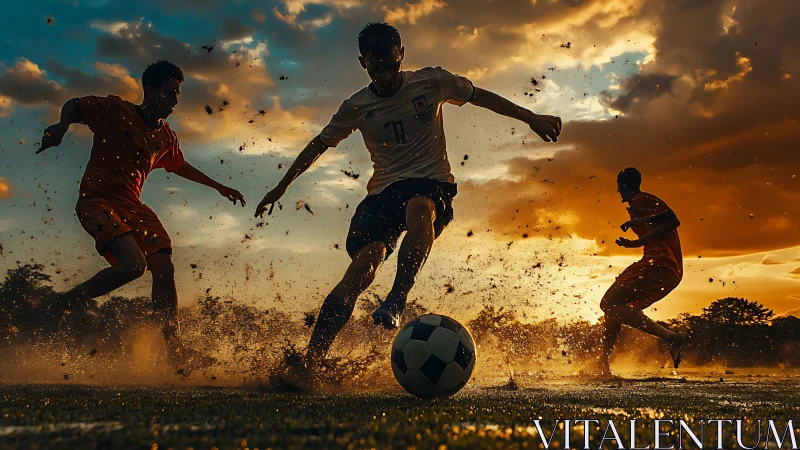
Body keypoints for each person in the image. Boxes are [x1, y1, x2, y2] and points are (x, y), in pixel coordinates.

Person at [254, 22, 562, 365]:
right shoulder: (355, 106)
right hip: (383, 192)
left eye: (390, 65)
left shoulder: (432, 82)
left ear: (401, 54)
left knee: (420, 207)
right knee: (362, 268)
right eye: (375, 68)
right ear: (363, 63)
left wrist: (530, 116)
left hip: (430, 182)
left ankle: (397, 299)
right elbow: (319, 145)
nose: (384, 75)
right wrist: (281, 186)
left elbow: (481, 96)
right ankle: (310, 361)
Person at [37, 60, 246, 369]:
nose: (174, 101)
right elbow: (74, 104)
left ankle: (174, 349)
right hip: (98, 202)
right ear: (150, 90)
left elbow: (179, 165)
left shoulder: (165, 136)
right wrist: (61, 127)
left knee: (164, 267)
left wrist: (218, 186)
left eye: (177, 95)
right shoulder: (114, 110)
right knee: (135, 266)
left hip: (133, 207)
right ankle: (62, 304)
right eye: (169, 93)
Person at [599, 167, 689, 376]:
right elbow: (662, 224)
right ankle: (603, 364)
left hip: (659, 264)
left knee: (608, 303)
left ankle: (671, 337)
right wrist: (636, 233)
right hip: (660, 265)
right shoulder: (637, 205)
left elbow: (673, 220)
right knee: (613, 308)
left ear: (622, 186)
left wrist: (638, 234)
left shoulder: (641, 200)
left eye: (619, 188)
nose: (619, 193)